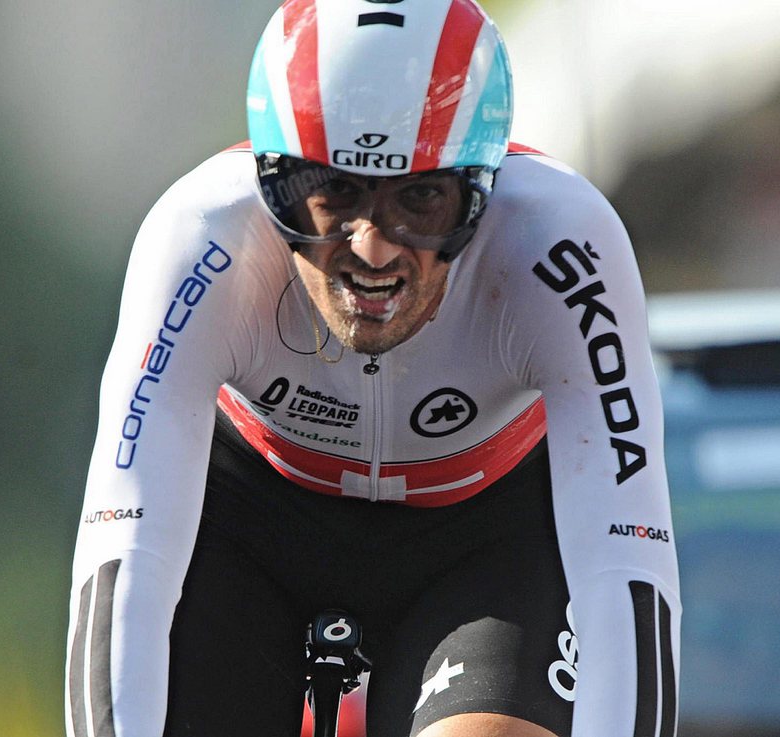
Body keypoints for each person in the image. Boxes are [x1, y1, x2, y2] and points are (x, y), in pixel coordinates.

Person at [65, 0, 681, 735]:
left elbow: (627, 575)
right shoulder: (200, 239)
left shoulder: (563, 244)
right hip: (250, 530)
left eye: (421, 200)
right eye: (333, 195)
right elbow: (121, 560)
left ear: (481, 188)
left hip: (479, 542)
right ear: (273, 183)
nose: (374, 249)